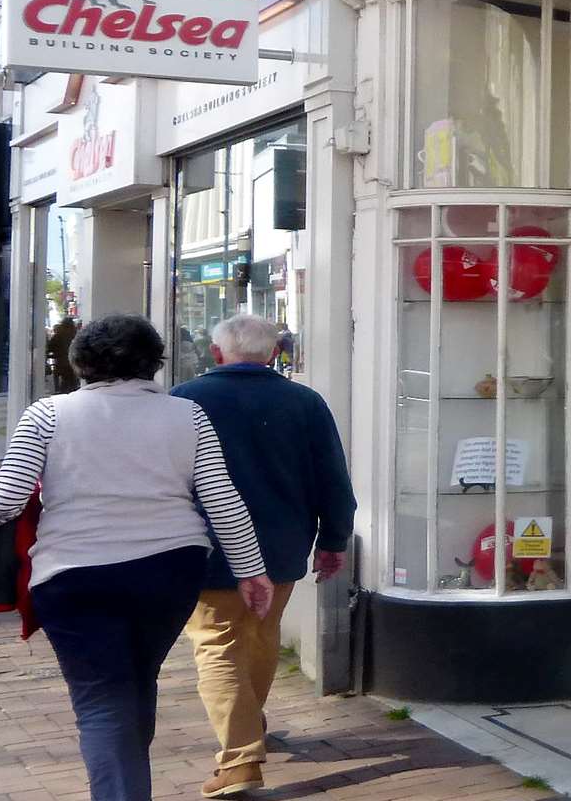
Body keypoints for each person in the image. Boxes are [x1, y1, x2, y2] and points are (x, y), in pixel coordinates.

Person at [0, 314, 271, 801]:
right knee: (137, 680)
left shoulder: (47, 415)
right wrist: (251, 571)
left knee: (101, 701)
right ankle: (128, 779)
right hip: (169, 570)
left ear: (79, 362)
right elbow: (222, 500)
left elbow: (6, 499)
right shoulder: (188, 415)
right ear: (154, 363)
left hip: (74, 575)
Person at [171, 313, 357, 799]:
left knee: (218, 643)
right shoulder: (304, 402)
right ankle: (249, 730)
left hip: (209, 546)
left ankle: (239, 761)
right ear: (273, 354)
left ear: (216, 354)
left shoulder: (185, 401)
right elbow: (333, 478)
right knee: (260, 635)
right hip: (282, 545)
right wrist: (334, 540)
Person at [47, 316, 79, 393]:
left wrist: (51, 354)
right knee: (72, 381)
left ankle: (59, 391)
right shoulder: (76, 334)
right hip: (73, 363)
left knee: (63, 379)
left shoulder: (59, 334)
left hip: (61, 363)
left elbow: (50, 347)